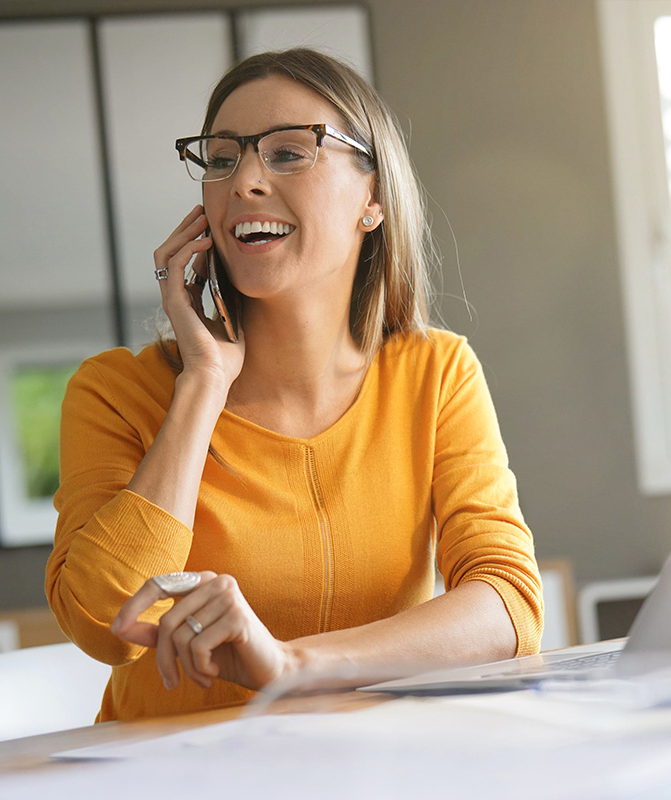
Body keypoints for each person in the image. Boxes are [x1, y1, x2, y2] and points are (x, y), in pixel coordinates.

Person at [46, 48, 542, 722]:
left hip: (375, 770)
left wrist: (292, 665)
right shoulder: (115, 392)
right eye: (221, 158)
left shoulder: (437, 373)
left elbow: (509, 604)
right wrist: (203, 385)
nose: (244, 180)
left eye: (287, 153)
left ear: (373, 199)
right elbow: (101, 620)